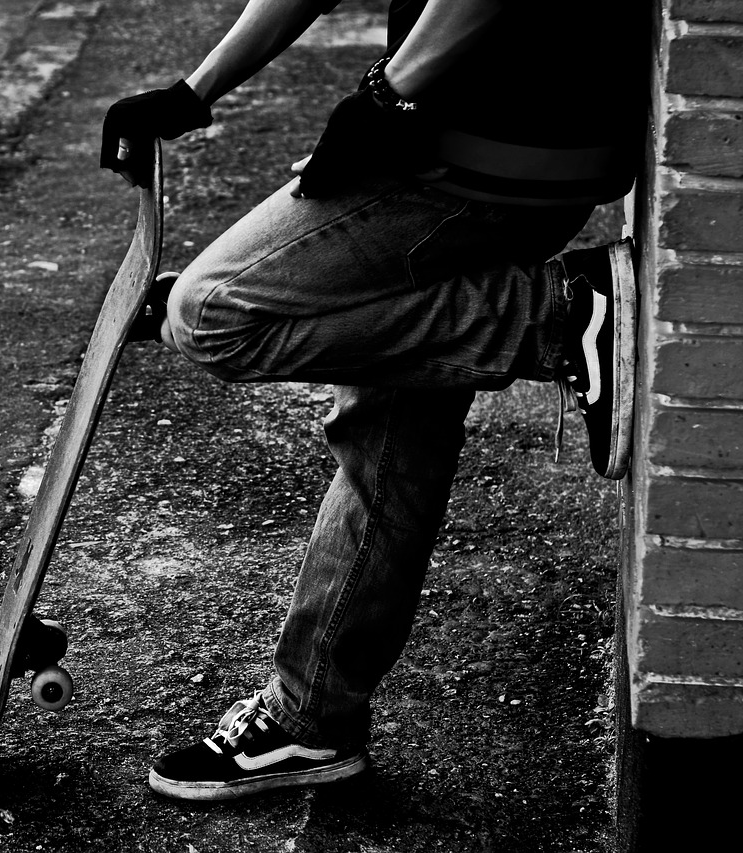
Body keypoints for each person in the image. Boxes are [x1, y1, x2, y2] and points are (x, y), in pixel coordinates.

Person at [99, 0, 645, 801]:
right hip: (525, 145)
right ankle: (312, 718)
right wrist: (197, 88)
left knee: (212, 312)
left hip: (484, 143)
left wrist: (389, 96)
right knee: (391, 423)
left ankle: (558, 317)